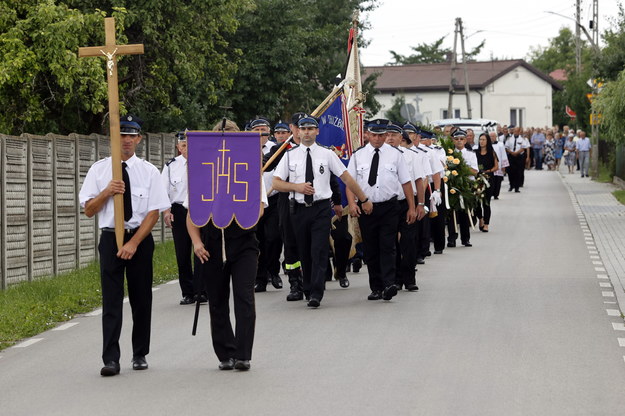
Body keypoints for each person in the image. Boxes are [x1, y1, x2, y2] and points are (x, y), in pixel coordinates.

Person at [79, 114, 170, 376]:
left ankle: (140, 353)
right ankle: (111, 358)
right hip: (109, 238)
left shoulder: (149, 171)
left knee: (141, 298)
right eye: (122, 136)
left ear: (139, 139)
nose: (127, 140)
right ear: (114, 139)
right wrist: (107, 191)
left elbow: (153, 212)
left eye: (132, 136)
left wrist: (132, 243)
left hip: (139, 239)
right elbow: (88, 209)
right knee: (112, 301)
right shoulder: (99, 170)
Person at [186, 119, 268, 371]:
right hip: (211, 243)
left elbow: (260, 207)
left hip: (243, 242)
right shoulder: (203, 171)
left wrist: (237, 212)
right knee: (217, 300)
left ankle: (244, 354)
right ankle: (226, 353)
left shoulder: (250, 169)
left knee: (244, 297)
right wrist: (197, 243)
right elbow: (192, 214)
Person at [272, 115, 372, 308]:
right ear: (298, 132)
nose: (307, 132)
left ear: (317, 131)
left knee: (318, 250)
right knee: (305, 251)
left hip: (320, 209)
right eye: (304, 129)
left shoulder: (327, 154)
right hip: (299, 210)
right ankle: (308, 287)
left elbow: (346, 178)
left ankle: (316, 292)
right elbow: (277, 182)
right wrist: (297, 187)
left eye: (311, 129)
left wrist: (364, 199)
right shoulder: (290, 155)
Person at [346, 119, 418, 301]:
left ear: (386, 135)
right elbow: (350, 183)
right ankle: (376, 287)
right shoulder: (358, 156)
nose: (378, 138)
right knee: (371, 248)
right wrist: (353, 204)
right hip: (367, 207)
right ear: (367, 135)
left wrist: (411, 207)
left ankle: (389, 284)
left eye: (381, 135)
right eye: (374, 135)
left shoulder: (396, 155)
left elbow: (406, 182)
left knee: (388, 245)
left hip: (389, 207)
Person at [161, 131, 198, 305]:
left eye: (189, 146)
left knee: (201, 250)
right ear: (178, 147)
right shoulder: (171, 166)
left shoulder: (203, 161)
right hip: (179, 209)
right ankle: (188, 292)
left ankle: (202, 290)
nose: (186, 149)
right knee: (182, 253)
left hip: (199, 208)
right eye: (183, 146)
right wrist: (166, 212)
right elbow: (163, 192)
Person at [252, 118, 283, 293]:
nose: (261, 133)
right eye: (257, 130)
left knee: (274, 237)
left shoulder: (275, 149)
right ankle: (260, 278)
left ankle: (274, 270)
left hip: (273, 199)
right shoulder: (245, 149)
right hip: (254, 202)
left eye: (263, 130)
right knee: (258, 240)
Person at [447, 129, 478, 247]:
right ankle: (452, 238)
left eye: (461, 139)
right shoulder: (449, 154)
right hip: (453, 185)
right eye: (456, 139)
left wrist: (461, 167)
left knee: (464, 212)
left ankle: (465, 238)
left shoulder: (471, 154)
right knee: (452, 213)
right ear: (453, 140)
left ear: (465, 140)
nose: (459, 141)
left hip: (466, 185)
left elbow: (475, 171)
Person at [475, 133, 499, 232]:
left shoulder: (492, 153)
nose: (481, 141)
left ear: (487, 141)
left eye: (484, 140)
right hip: (477, 180)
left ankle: (486, 224)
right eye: (480, 139)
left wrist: (488, 171)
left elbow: (496, 166)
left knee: (486, 203)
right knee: (476, 202)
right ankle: (480, 218)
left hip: (489, 179)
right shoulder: (475, 152)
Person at [504, 126, 526, 193]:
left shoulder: (522, 139)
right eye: (515, 131)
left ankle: (517, 187)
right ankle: (511, 185)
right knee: (510, 172)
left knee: (518, 172)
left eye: (517, 131)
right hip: (511, 156)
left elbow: (523, 148)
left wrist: (517, 152)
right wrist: (511, 152)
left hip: (519, 157)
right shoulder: (509, 139)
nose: (516, 132)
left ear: (519, 132)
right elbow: (506, 147)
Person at [489, 131, 508, 200]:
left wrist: (504, 166)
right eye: (490, 136)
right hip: (490, 166)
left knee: (498, 181)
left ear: (496, 137)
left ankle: (496, 194)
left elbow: (503, 155)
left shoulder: (500, 144)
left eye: (493, 136)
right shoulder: (487, 145)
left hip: (499, 166)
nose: (492, 138)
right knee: (491, 181)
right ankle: (490, 193)